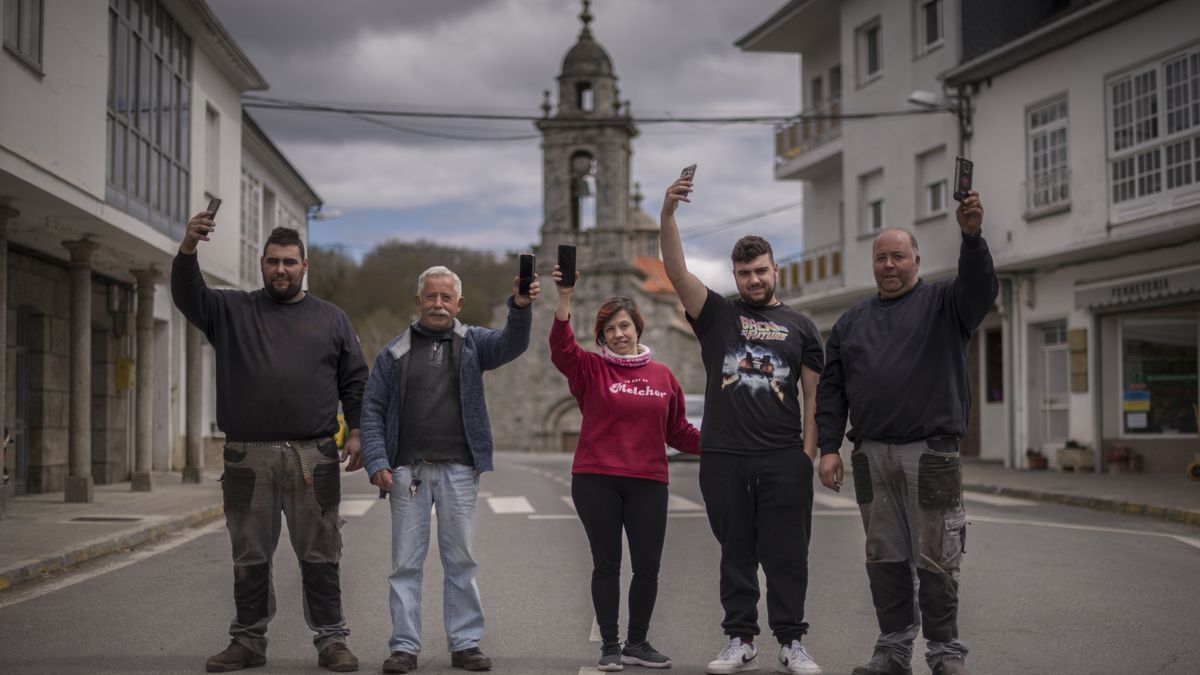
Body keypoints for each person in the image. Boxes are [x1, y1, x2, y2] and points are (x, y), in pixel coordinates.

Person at [172, 214, 367, 674]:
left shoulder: (331, 318)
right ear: (261, 264)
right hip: (247, 457)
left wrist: (358, 431)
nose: (282, 269)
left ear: (305, 265)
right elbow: (186, 295)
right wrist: (187, 248)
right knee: (250, 556)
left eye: (290, 262)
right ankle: (248, 641)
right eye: (274, 262)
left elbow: (355, 382)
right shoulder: (230, 310)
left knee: (321, 553)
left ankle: (332, 641)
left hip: (313, 457)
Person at [815, 192, 996, 675]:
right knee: (885, 559)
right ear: (873, 265)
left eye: (898, 256)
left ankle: (944, 655)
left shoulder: (946, 303)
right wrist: (828, 448)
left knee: (937, 559)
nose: (889, 265)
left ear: (916, 259)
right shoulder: (851, 323)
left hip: (930, 454)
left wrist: (972, 236)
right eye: (881, 257)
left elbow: (981, 289)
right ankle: (893, 651)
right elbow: (831, 392)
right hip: (871, 455)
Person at [659, 175, 825, 675]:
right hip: (725, 457)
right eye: (744, 273)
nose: (753, 280)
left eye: (760, 271)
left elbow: (814, 394)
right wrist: (668, 215)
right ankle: (741, 639)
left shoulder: (802, 327)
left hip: (783, 458)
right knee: (736, 553)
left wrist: (808, 457)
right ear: (734, 275)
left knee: (788, 555)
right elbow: (675, 269)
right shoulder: (715, 315)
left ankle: (792, 642)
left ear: (775, 269)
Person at [359, 265, 539, 674]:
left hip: (460, 470)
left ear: (459, 304)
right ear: (418, 301)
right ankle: (404, 647)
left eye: (446, 298)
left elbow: (514, 342)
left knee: (460, 561)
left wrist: (521, 306)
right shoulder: (394, 351)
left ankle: (465, 643)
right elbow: (372, 409)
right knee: (405, 564)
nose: (438, 304)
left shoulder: (474, 342)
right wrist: (377, 460)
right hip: (408, 473)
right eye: (431, 296)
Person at [548, 267, 700, 672]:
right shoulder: (590, 370)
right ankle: (610, 645)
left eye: (625, 326)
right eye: (610, 329)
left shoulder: (663, 376)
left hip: (649, 481)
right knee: (607, 563)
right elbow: (562, 350)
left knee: (648, 565)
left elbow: (679, 431)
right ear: (601, 337)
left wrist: (722, 446)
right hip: (597, 480)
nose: (619, 334)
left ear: (638, 329)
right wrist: (564, 298)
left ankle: (638, 642)